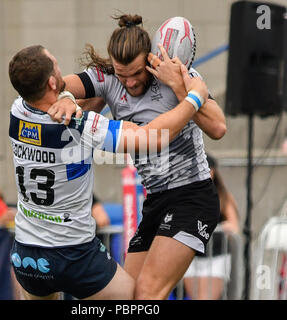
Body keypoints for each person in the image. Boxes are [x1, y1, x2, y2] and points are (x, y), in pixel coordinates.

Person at [8, 44, 209, 300]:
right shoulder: (81, 126)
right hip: (73, 254)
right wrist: (195, 97)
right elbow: (153, 137)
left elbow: (60, 102)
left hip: (26, 255)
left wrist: (68, 97)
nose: (62, 71)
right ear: (51, 82)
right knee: (136, 301)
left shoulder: (17, 111)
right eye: (57, 65)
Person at [48, 14, 226, 299]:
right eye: (122, 75)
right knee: (125, 295)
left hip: (191, 196)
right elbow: (56, 86)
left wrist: (181, 87)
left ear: (150, 59)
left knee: (147, 294)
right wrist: (67, 98)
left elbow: (218, 127)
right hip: (155, 200)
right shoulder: (106, 78)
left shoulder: (174, 73)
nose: (130, 83)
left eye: (136, 74)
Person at [184, 153, 239, 300]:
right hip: (191, 256)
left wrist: (222, 228)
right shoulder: (186, 195)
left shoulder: (222, 195)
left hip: (216, 256)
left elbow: (234, 225)